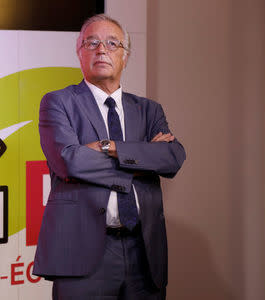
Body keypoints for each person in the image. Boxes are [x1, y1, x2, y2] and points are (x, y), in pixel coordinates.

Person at [33, 14, 186, 300]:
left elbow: (172, 158)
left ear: (125, 57)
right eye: (92, 42)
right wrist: (142, 159)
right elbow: (69, 161)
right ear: (80, 52)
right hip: (83, 254)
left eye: (112, 43)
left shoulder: (148, 110)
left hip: (144, 251)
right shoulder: (58, 103)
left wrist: (107, 146)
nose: (101, 49)